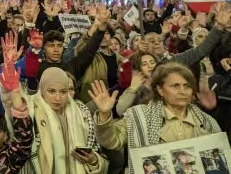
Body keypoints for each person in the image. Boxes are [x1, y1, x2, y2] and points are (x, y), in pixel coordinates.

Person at [91, 62, 222, 172]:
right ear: (160, 90)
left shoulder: (207, 121)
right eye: (175, 86)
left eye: (187, 86)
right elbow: (110, 141)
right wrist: (104, 114)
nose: (183, 91)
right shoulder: (138, 116)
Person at [12, 67, 108, 173]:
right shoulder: (30, 110)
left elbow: (96, 151)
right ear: (42, 90)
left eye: (63, 92)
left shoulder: (82, 113)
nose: (58, 98)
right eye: (52, 91)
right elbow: (10, 105)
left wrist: (93, 160)